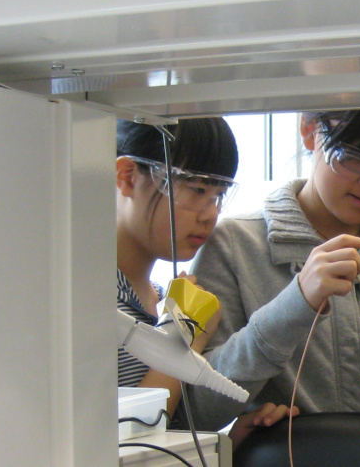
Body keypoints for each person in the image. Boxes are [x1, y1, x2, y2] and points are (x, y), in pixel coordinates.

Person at [183, 107, 360, 431]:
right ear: (309, 130)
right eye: (356, 155)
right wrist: (293, 307)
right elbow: (195, 412)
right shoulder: (233, 247)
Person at [115, 118, 296, 446]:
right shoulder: (84, 300)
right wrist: (184, 336)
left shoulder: (161, 299)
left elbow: (161, 435)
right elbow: (122, 437)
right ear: (127, 177)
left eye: (219, 194)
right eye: (197, 190)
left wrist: (233, 439)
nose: (209, 214)